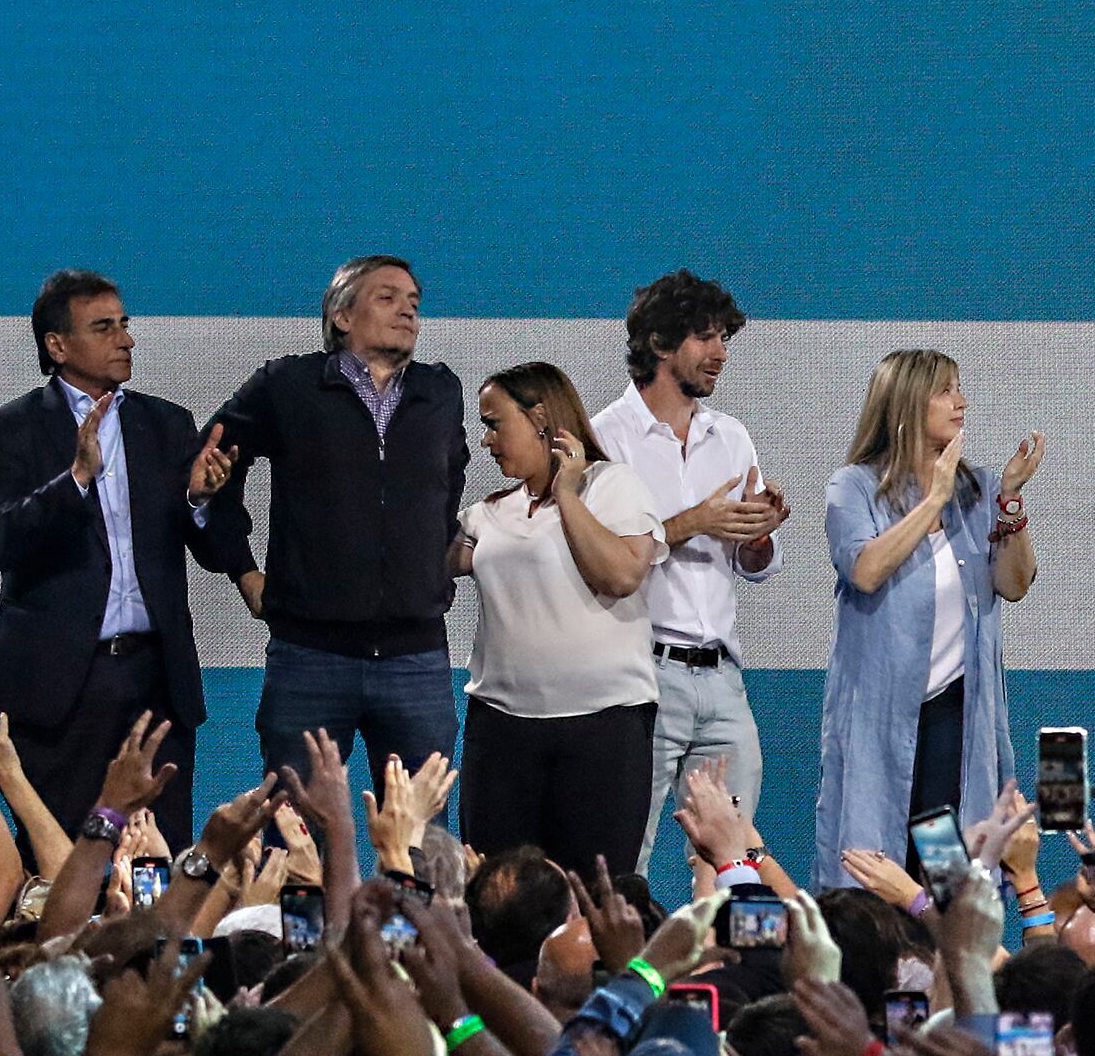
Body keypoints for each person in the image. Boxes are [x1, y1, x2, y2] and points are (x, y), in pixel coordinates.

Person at [0, 269, 248, 846]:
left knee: (157, 854)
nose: (126, 339)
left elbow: (212, 548)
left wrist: (200, 500)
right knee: (58, 859)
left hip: (155, 680)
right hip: (61, 690)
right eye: (104, 327)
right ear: (58, 345)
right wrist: (75, 479)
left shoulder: (167, 424)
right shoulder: (11, 427)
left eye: (125, 324)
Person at [201, 254, 469, 790]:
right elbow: (209, 466)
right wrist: (240, 568)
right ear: (342, 316)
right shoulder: (289, 385)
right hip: (310, 657)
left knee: (420, 841)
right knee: (292, 831)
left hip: (416, 657)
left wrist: (427, 569)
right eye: (388, 298)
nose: (407, 312)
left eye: (414, 303)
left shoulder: (440, 392)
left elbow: (448, 489)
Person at [589, 270, 790, 868]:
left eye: (724, 338)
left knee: (737, 852)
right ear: (658, 343)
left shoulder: (731, 438)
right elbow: (603, 560)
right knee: (626, 852)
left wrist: (758, 535)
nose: (721, 354)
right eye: (706, 338)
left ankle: (729, 963)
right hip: (639, 672)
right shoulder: (605, 436)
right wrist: (694, 521)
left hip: (723, 678)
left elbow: (750, 562)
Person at [815, 349, 1035, 878]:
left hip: (952, 719)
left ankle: (947, 951)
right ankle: (878, 958)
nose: (961, 401)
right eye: (945, 390)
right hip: (880, 715)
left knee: (944, 868)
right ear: (908, 403)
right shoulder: (854, 488)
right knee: (872, 863)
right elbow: (865, 571)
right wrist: (932, 500)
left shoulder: (976, 489)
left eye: (959, 387)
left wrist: (1008, 501)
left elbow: (1014, 583)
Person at [447, 362, 664, 881]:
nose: (487, 440)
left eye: (495, 423)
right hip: (500, 733)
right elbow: (427, 572)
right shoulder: (488, 512)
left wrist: (567, 492)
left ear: (541, 417)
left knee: (594, 895)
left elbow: (620, 575)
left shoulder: (613, 487)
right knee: (496, 896)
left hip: (603, 730)